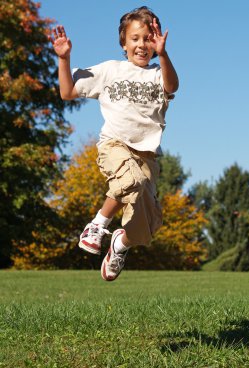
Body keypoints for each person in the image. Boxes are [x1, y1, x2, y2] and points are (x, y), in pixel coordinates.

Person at [49, 6, 179, 281]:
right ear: (124, 43)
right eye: (135, 38)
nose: (141, 45)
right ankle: (97, 225)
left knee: (146, 229)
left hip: (148, 156)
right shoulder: (110, 70)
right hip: (115, 145)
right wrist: (65, 59)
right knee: (130, 180)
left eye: (147, 38)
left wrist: (164, 54)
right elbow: (67, 92)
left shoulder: (158, 73)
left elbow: (172, 87)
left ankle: (120, 244)